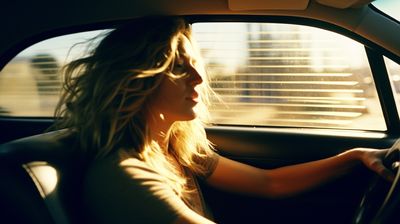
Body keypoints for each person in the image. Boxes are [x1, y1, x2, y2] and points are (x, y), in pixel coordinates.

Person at [53, 16, 394, 224]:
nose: (198, 79)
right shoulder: (124, 175)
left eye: (195, 65)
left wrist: (354, 157)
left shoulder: (174, 152)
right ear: (134, 81)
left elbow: (268, 183)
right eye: (177, 67)